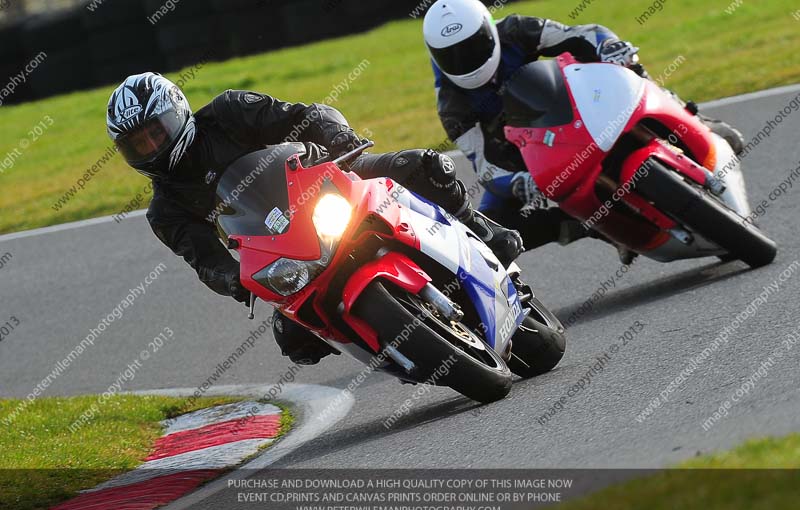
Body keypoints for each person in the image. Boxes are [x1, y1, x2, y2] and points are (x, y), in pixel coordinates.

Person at [106, 72, 523, 365]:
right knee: (295, 341)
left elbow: (306, 116)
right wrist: (236, 280)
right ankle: (394, 346)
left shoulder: (229, 111)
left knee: (425, 166)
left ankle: (483, 229)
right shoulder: (165, 211)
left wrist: (338, 138)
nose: (150, 147)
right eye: (137, 144)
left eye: (154, 132)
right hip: (283, 252)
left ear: (176, 113)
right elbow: (205, 261)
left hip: (328, 184)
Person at [422, 0, 745, 260]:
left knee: (631, 70)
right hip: (528, 151)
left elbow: (586, 34)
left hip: (576, 105)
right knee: (488, 232)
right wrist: (521, 183)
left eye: (472, 47)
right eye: (450, 55)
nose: (464, 60)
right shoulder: (451, 105)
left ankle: (693, 122)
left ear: (488, 31)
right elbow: (486, 167)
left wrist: (613, 49)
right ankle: (590, 224)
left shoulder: (518, 30)